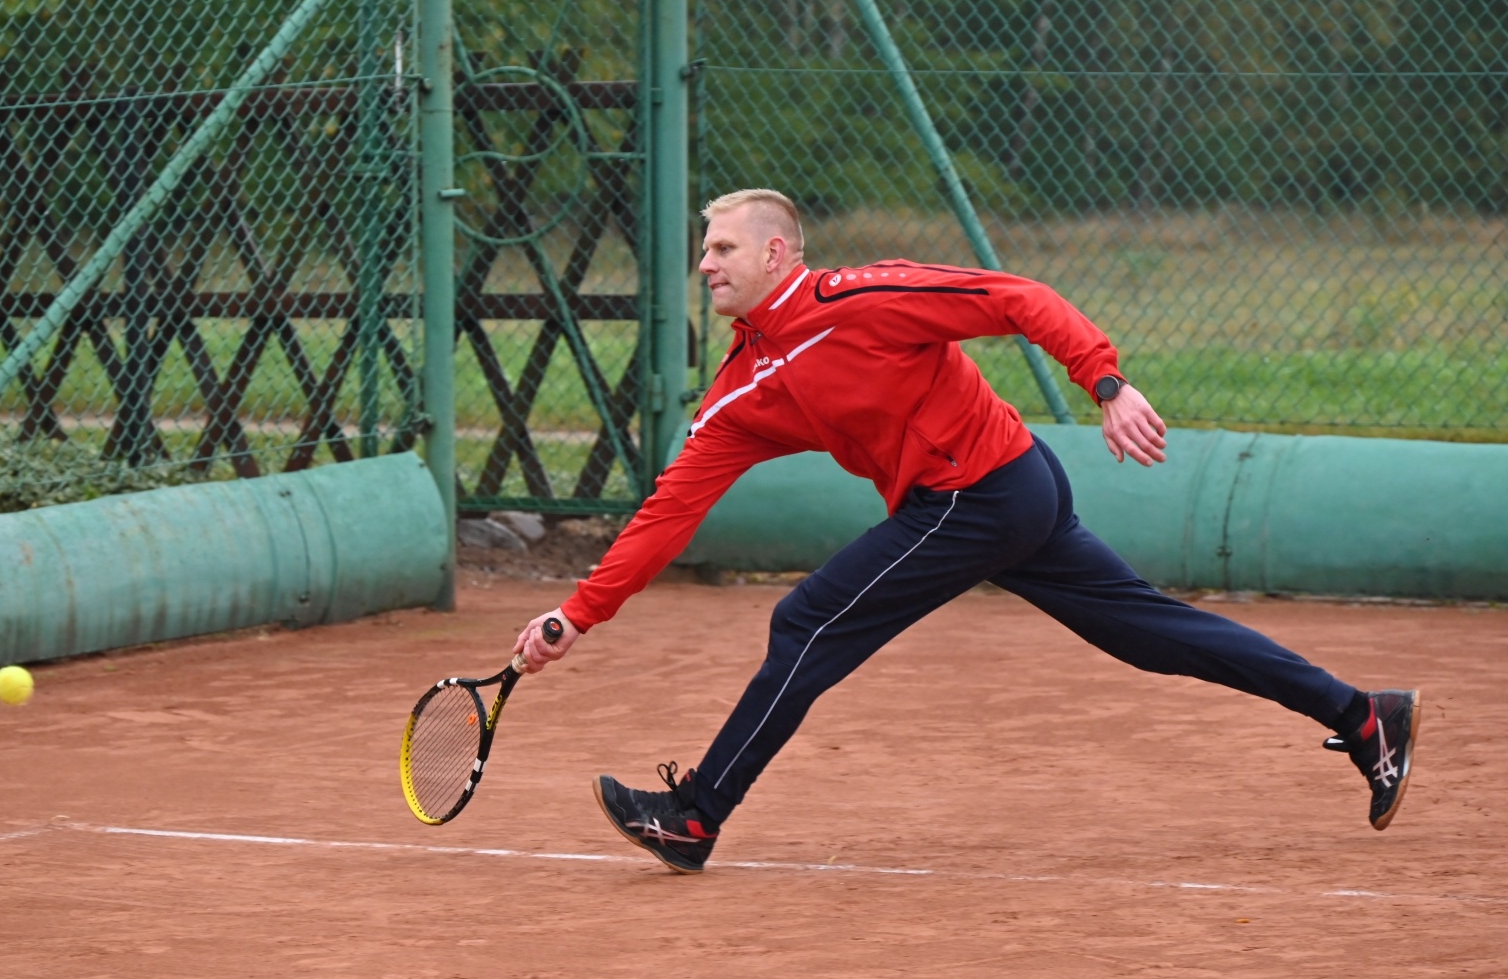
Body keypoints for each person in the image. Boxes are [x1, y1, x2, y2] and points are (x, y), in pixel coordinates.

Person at [509, 188, 1420, 873]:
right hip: (983, 501)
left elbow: (1014, 296)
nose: (704, 263)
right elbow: (672, 506)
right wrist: (578, 615)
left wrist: (1105, 380)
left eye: (722, 247)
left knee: (807, 621)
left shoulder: (859, 300)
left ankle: (696, 815)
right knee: (1149, 633)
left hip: (984, 493)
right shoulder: (748, 382)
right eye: (702, 251)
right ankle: (1361, 714)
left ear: (778, 251)